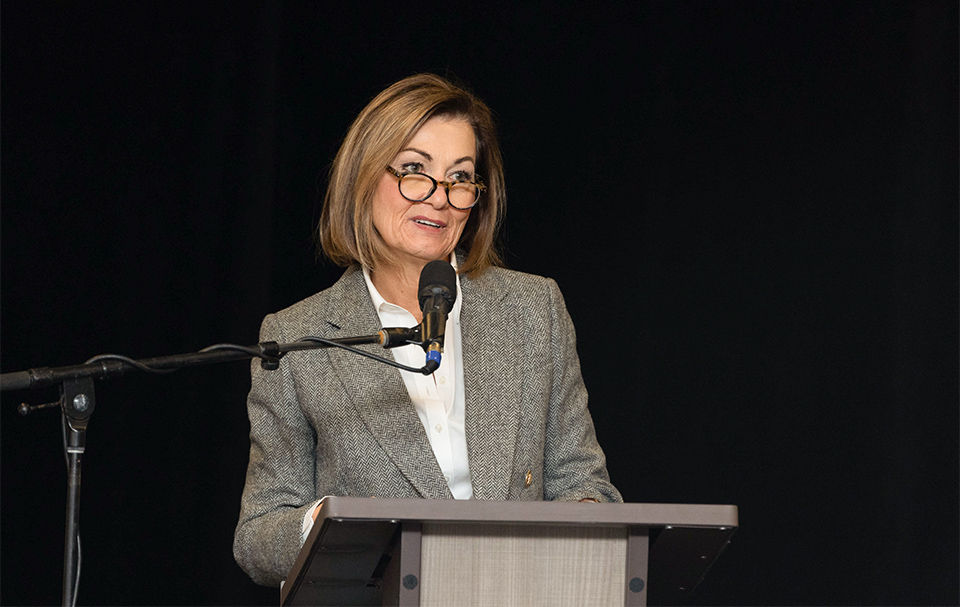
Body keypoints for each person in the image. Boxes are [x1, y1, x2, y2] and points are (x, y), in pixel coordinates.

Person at [233, 73, 622, 587]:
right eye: (415, 170)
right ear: (364, 177)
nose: (440, 197)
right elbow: (258, 536)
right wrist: (325, 521)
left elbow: (582, 479)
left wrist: (578, 522)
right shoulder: (296, 338)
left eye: (461, 178)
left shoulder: (533, 309)